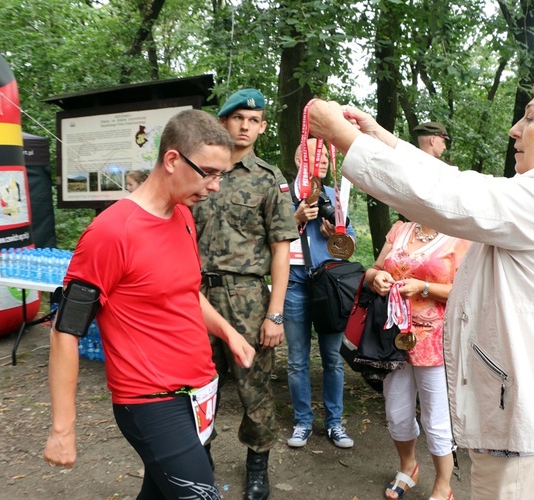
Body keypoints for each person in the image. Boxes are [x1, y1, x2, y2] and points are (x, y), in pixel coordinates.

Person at [307, 70, 534, 498]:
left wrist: (344, 137)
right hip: (517, 406)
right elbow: (458, 182)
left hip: (525, 418)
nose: (515, 130)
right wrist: (379, 135)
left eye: (530, 119)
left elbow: (450, 197)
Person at [43, 109, 256, 500]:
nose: (215, 187)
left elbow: (186, 292)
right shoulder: (110, 232)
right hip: (151, 402)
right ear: (173, 160)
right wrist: (63, 428)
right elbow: (65, 332)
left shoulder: (184, 217)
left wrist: (228, 332)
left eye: (220, 175)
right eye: (208, 173)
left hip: (198, 391)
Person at [192, 88, 297, 500]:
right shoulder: (199, 173)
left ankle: (257, 465)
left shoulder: (269, 179)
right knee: (198, 385)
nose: (245, 126)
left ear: (263, 127)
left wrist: (275, 315)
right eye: (238, 118)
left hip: (248, 297)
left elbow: (281, 250)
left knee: (254, 386)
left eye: (254, 120)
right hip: (195, 294)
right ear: (224, 122)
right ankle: (201, 461)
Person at [366, 220, 470, 500]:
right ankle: (408, 467)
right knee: (397, 413)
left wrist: (424, 287)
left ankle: (443, 485)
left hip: (436, 340)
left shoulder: (461, 236)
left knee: (436, 419)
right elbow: (373, 270)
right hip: (392, 338)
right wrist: (374, 279)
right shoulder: (400, 229)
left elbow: (468, 292)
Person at [285, 138, 357, 449]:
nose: (324, 161)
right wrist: (296, 218)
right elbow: (266, 238)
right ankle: (302, 421)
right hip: (294, 283)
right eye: (317, 155)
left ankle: (334, 423)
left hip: (328, 285)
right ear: (300, 157)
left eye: (327, 157)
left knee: (332, 358)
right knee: (298, 360)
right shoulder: (282, 194)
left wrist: (338, 234)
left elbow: (350, 240)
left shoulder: (333, 195)